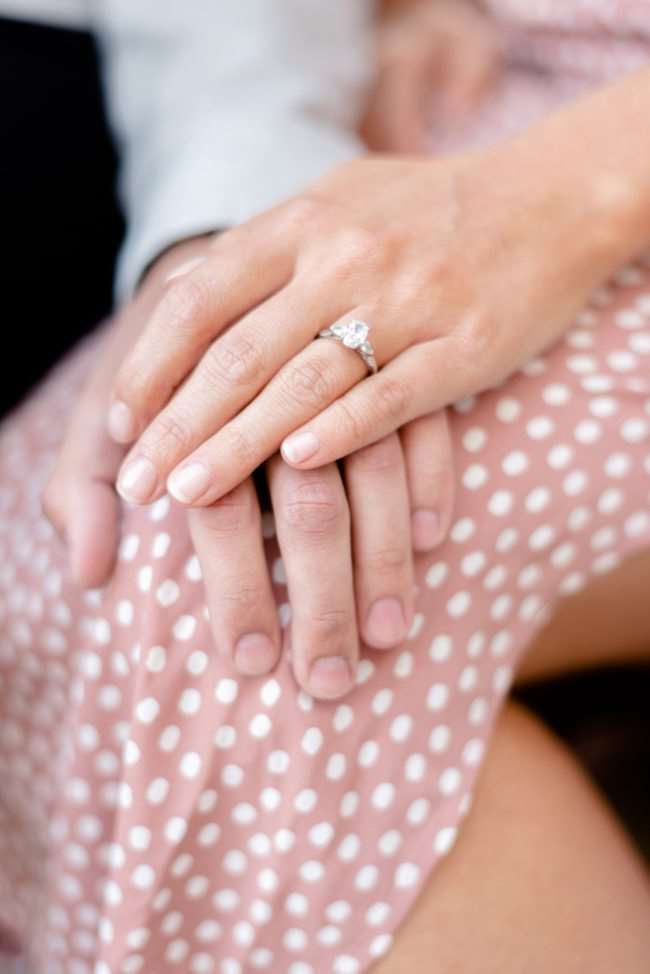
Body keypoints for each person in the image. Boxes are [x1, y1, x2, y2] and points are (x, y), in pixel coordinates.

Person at [1, 1, 650, 972]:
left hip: (591, 151)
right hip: (486, 86)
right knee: (123, 512)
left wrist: (560, 191)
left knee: (283, 617)